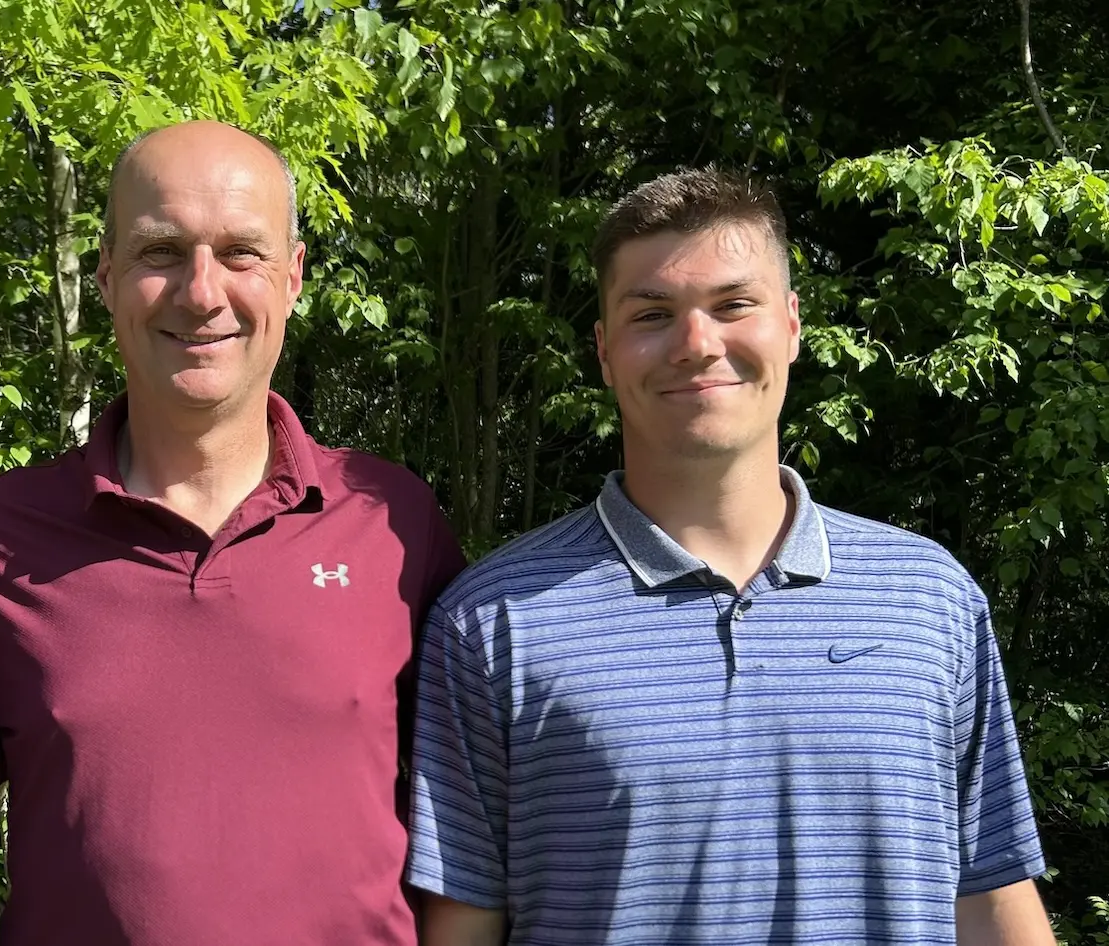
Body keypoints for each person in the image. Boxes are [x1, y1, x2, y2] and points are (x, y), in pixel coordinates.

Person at [407, 168, 1054, 946]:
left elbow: (988, 899)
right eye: (652, 313)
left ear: (789, 324)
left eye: (732, 305)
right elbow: (462, 928)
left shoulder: (928, 597)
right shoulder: (493, 620)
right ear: (605, 351)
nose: (695, 344)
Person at [0, 120, 466, 945]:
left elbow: (464, 832)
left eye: (240, 253)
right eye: (160, 252)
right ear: (105, 277)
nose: (202, 291)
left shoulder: (393, 523)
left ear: (292, 277)